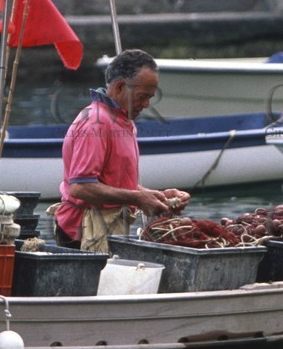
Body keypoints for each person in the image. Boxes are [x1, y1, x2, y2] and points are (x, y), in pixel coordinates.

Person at [56, 49, 189, 252]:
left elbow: (114, 181)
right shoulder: (96, 122)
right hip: (82, 232)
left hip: (108, 226)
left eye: (150, 98)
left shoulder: (122, 119)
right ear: (119, 87)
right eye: (142, 96)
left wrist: (156, 196)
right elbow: (81, 187)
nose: (146, 104)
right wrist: (138, 198)